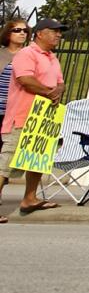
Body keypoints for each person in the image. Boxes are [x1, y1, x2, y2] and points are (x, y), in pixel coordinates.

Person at [0, 18, 66, 218]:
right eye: (54, 31)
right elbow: (25, 79)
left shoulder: (52, 57)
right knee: (6, 163)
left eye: (59, 32)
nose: (59, 35)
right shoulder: (26, 54)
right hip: (22, 116)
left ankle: (30, 198)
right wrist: (49, 92)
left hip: (43, 119)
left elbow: (60, 82)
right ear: (40, 33)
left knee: (37, 159)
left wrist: (58, 90)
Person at [0, 19, 27, 221]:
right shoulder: (2, 54)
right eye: (17, 30)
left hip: (15, 111)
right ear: (8, 33)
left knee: (6, 157)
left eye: (25, 31)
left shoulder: (28, 56)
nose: (22, 33)